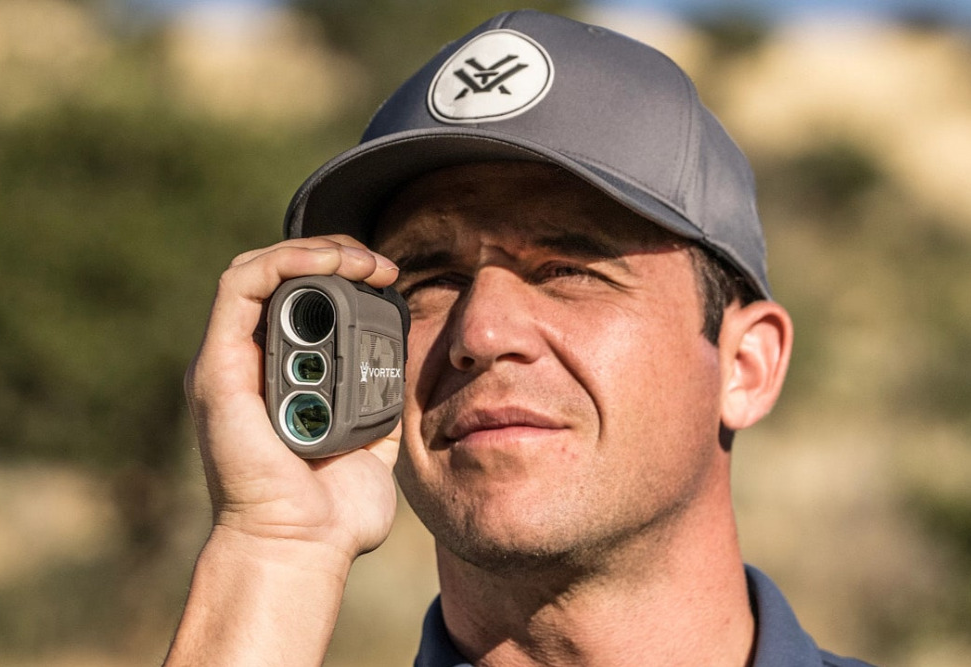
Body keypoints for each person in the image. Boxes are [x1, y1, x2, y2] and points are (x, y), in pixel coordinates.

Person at [167, 10, 873, 666]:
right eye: (430, 279)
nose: (480, 331)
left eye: (568, 270)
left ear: (747, 365)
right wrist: (275, 549)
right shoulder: (274, 575)